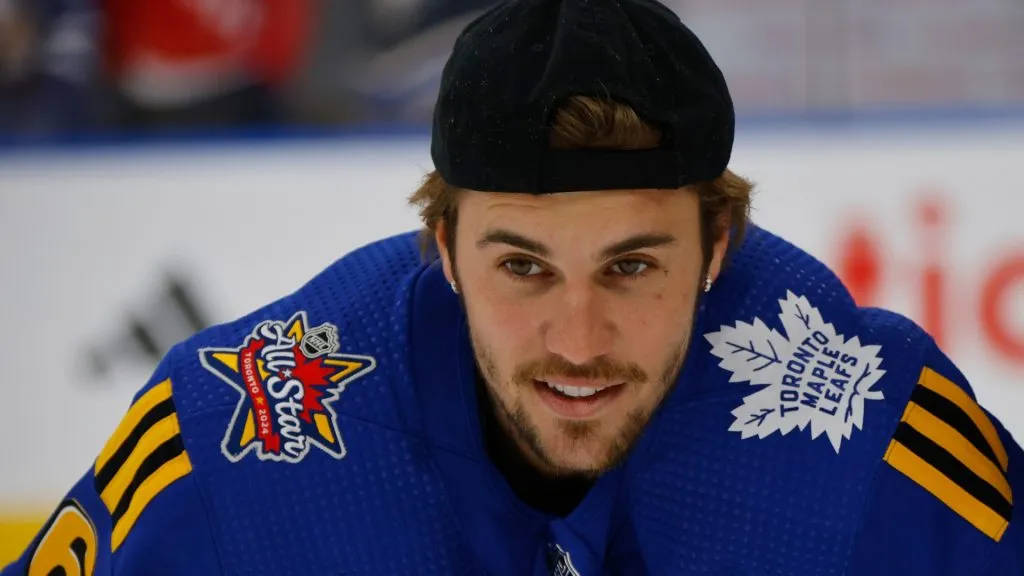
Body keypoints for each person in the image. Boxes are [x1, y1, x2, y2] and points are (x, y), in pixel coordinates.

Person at [4, 0, 1022, 572]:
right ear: (443, 250)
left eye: (631, 266)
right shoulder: (241, 444)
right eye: (521, 267)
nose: (577, 338)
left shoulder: (864, 436)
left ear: (717, 247)